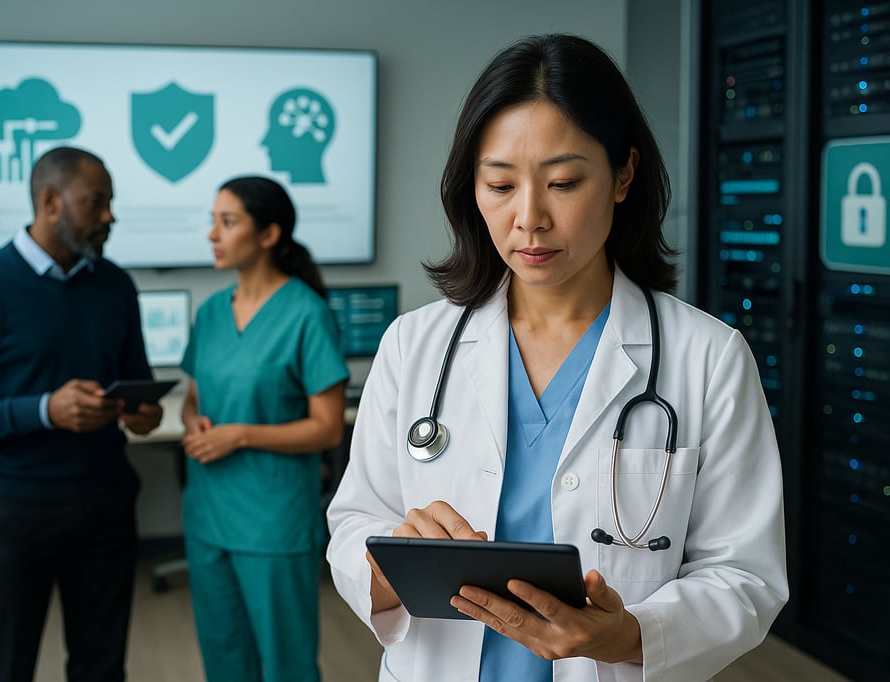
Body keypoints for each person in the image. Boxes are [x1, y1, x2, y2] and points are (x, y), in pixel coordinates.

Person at [326, 33, 788, 681]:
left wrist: (630, 632)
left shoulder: (707, 357)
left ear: (624, 174)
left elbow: (745, 576)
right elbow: (356, 518)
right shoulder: (414, 345)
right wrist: (382, 566)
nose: (529, 218)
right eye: (500, 185)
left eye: (564, 182)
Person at [0, 146, 164, 682]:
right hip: (13, 511)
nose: (110, 216)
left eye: (111, 203)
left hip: (105, 505)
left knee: (101, 667)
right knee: (5, 666)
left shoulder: (116, 285)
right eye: (97, 201)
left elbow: (136, 385)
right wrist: (44, 411)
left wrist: (140, 412)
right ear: (50, 200)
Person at [180, 176, 349, 682]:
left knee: (286, 663)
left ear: (269, 234)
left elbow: (327, 429)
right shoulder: (211, 313)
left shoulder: (306, 314)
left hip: (272, 522)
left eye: (227, 223)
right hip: (208, 517)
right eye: (212, 222)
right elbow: (192, 398)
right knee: (224, 656)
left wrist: (240, 435)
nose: (213, 234)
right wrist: (195, 422)